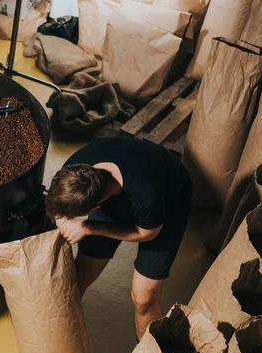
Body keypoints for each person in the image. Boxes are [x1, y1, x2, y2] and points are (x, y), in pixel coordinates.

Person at [45, 136, 192, 341]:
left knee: (144, 298)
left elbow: (147, 234)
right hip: (124, 192)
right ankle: (55, 344)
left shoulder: (147, 195)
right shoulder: (75, 170)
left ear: (96, 208)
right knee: (78, 277)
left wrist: (89, 227)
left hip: (169, 201)